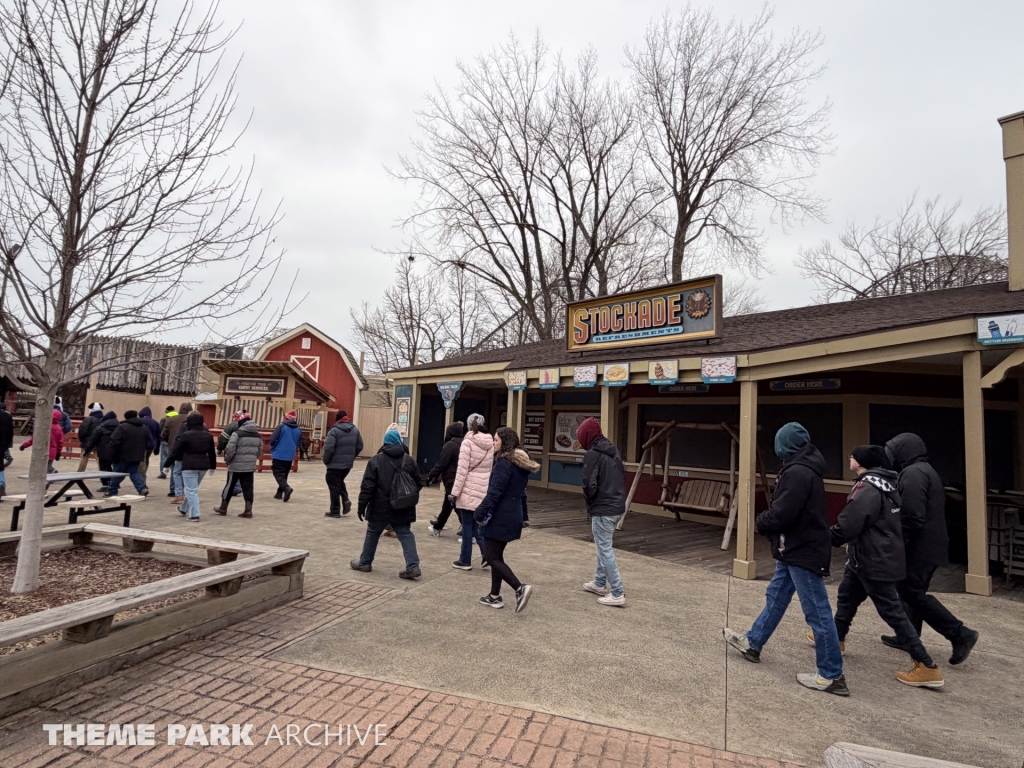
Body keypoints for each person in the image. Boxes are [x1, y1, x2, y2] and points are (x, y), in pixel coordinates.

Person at [723, 422, 848, 696]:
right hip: (794, 548)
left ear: (785, 445)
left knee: (816, 611)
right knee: (776, 596)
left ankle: (831, 674)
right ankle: (753, 642)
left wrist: (761, 522)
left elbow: (783, 512)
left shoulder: (798, 473)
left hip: (802, 549)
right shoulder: (805, 468)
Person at [819, 445, 944, 688]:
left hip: (873, 559)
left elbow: (851, 522)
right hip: (869, 556)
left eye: (853, 456)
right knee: (846, 597)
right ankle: (837, 639)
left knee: (893, 613)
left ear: (862, 461)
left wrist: (825, 538)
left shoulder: (868, 488)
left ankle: (926, 665)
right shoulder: (887, 484)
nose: (850, 458)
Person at [884, 433, 980, 665]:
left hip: (920, 547)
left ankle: (959, 634)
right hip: (930, 545)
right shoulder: (925, 470)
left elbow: (912, 515)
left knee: (911, 592)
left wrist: (898, 543)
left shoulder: (913, 474)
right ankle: (908, 637)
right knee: (910, 591)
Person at [474, 427, 538, 612]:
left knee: (491, 556)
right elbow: (522, 494)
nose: (493, 443)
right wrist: (524, 516)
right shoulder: (520, 464)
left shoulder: (504, 463)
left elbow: (495, 493)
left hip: (500, 515)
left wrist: (480, 512)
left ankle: (519, 588)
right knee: (497, 556)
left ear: (504, 441)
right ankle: (494, 596)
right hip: (513, 513)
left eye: (495, 440)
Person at [351, 428, 422, 579]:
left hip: (379, 505)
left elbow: (367, 487)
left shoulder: (376, 460)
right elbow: (417, 483)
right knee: (405, 533)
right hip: (403, 506)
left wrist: (361, 505)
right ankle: (413, 566)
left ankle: (365, 562)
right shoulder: (409, 460)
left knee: (373, 532)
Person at [577, 417, 627, 607]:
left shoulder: (592, 455)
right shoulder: (614, 452)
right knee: (603, 545)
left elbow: (589, 484)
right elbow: (622, 476)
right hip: (616, 506)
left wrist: (590, 505)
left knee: (604, 549)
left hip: (602, 508)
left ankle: (617, 592)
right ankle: (599, 582)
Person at [450, 414, 493, 570]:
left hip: (468, 489)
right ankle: (487, 556)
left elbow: (462, 471)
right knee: (477, 526)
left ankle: (465, 560)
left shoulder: (467, 442)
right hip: (482, 488)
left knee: (467, 526)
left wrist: (454, 493)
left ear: (468, 425)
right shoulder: (490, 443)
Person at [165, 411, 216, 521]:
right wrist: (213, 466)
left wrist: (167, 465)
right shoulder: (208, 436)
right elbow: (212, 452)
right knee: (192, 489)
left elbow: (175, 451)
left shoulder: (185, 435)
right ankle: (183, 508)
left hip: (189, 464)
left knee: (191, 490)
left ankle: (194, 514)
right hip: (203, 465)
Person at [214, 416, 262, 518]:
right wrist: (252, 459)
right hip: (249, 466)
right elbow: (259, 451)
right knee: (248, 487)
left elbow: (230, 449)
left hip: (235, 466)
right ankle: (248, 510)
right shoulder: (258, 436)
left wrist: (228, 460)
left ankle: (223, 507)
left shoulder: (237, 434)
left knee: (229, 486)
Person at [323, 410, 363, 518]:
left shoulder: (334, 431)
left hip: (334, 464)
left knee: (333, 484)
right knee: (339, 481)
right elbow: (360, 446)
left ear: (337, 419)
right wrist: (351, 457)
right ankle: (345, 499)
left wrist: (326, 460)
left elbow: (329, 448)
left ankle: (335, 510)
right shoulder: (355, 430)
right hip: (347, 465)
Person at [426, 421, 464, 535]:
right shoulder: (465, 443)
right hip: (461, 477)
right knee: (449, 503)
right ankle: (438, 525)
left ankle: (467, 528)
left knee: (454, 503)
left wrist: (432, 475)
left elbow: (442, 463)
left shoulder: (449, 445)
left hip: (451, 478)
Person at [106, 410, 151, 497]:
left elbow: (114, 441)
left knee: (118, 473)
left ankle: (112, 490)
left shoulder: (122, 427)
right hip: (137, 455)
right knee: (134, 472)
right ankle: (142, 488)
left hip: (121, 455)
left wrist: (110, 452)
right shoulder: (144, 427)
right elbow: (147, 441)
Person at [160, 403, 193, 504]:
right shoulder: (193, 420)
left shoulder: (172, 419)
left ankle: (174, 490)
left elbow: (163, 434)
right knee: (185, 471)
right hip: (189, 450)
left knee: (175, 470)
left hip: (173, 447)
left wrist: (170, 442)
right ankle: (184, 491)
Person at [269, 411, 302, 502]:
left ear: (286, 418)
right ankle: (279, 493)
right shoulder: (298, 429)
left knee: (277, 472)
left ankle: (286, 488)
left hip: (279, 453)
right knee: (285, 473)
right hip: (290, 454)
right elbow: (299, 443)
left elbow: (273, 439)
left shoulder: (281, 426)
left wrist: (273, 447)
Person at [21, 408, 66, 473]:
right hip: (52, 451)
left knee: (43, 467)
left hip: (41, 450)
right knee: (48, 465)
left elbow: (35, 439)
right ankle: (50, 476)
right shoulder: (59, 429)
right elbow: (60, 442)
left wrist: (24, 445)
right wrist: (58, 452)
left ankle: (52, 472)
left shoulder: (43, 426)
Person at [83, 411, 119, 482]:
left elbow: (92, 440)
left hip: (103, 451)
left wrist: (87, 450)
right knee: (116, 468)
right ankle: (114, 483)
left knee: (104, 468)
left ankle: (106, 483)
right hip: (117, 451)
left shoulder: (100, 428)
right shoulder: (120, 427)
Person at [76, 403, 104, 473]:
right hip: (99, 443)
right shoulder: (103, 419)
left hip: (87, 442)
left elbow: (83, 430)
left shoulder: (88, 419)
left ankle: (80, 473)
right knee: (100, 459)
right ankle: (103, 474)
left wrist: (82, 439)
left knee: (84, 458)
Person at [137, 407, 162, 483]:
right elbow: (159, 436)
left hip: (141, 444)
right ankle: (144, 472)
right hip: (151, 445)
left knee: (142, 461)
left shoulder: (139, 421)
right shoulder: (155, 423)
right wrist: (157, 447)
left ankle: (142, 478)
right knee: (146, 459)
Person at [157, 405, 176, 480]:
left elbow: (161, 430)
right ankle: (173, 473)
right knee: (172, 457)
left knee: (164, 457)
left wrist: (162, 438)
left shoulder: (164, 419)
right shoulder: (177, 419)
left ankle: (163, 473)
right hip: (174, 441)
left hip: (165, 441)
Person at [0, 402, 14, 500]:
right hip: (2, 443)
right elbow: (11, 432)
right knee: (0, 465)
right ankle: (1, 484)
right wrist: (6, 445)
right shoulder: (7, 416)